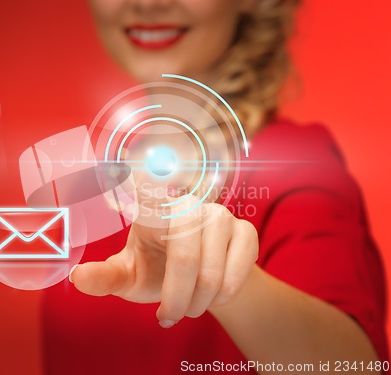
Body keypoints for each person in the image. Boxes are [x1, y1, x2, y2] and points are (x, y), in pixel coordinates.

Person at [42, 1, 388, 373]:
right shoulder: (89, 186)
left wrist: (226, 282)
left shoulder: (296, 167)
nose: (146, 3)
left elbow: (353, 366)